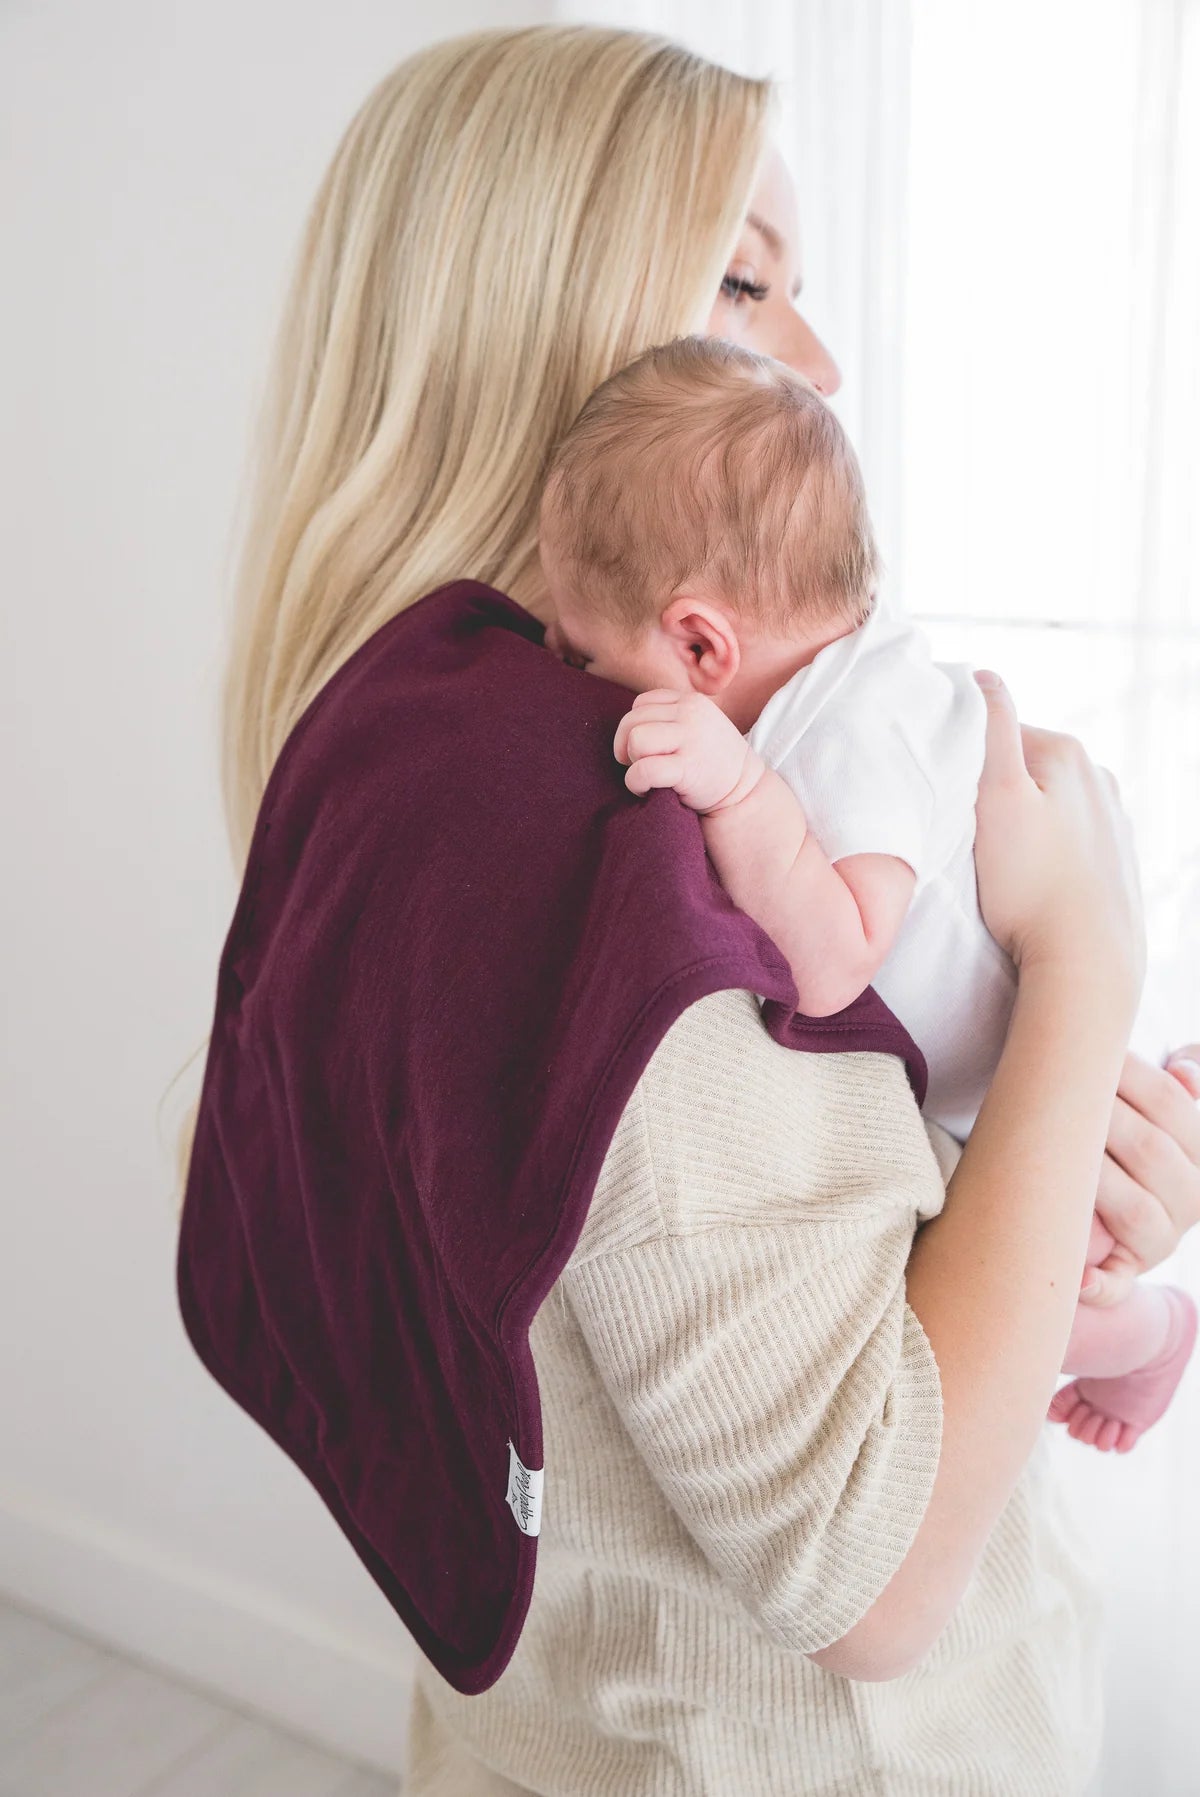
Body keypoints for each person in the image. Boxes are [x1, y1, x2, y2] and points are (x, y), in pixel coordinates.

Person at [176, 24, 1200, 1793]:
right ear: (539, 329)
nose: (814, 361)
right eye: (743, 281)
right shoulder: (612, 836)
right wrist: (1085, 964)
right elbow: (871, 1565)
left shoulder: (401, 758)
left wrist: (1054, 1178)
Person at [538, 331, 1199, 1460]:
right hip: (1016, 1052)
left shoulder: (844, 731)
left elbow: (840, 953)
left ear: (701, 643)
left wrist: (739, 786)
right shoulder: (843, 675)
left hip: (1026, 1101)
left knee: (1036, 1298)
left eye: (583, 648)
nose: (557, 657)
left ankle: (1149, 1338)